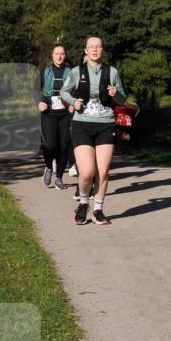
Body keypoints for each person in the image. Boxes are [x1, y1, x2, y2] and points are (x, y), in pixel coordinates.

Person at [60, 36, 126, 226]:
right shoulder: (75, 72)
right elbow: (64, 92)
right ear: (86, 50)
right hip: (82, 123)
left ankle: (98, 209)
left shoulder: (112, 72)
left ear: (102, 50)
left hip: (105, 123)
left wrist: (116, 94)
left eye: (98, 46)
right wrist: (74, 101)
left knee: (103, 171)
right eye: (91, 47)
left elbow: (122, 99)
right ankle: (82, 203)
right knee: (87, 172)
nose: (95, 50)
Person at [38, 45, 72, 190]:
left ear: (65, 56)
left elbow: (77, 89)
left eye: (62, 54)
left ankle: (59, 178)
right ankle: (48, 167)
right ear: (52, 55)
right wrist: (38, 103)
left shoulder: (71, 72)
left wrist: (74, 102)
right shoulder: (45, 72)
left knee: (64, 146)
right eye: (57, 54)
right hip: (49, 113)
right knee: (50, 145)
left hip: (65, 114)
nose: (59, 56)